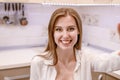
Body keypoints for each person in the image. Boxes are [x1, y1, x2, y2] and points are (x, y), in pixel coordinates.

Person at [30, 8, 120, 80]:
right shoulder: (38, 62)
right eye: (58, 29)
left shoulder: (86, 58)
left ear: (78, 31)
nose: (65, 35)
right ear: (52, 33)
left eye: (71, 29)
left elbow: (110, 62)